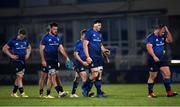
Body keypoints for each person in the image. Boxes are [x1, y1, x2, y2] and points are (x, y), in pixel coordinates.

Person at [39, 22, 71, 98]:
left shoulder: (57, 38)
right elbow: (41, 50)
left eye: (56, 29)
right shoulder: (45, 38)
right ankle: (56, 92)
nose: (56, 30)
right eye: (54, 29)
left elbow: (61, 49)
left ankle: (48, 94)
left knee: (54, 76)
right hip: (48, 60)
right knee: (47, 76)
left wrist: (67, 57)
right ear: (50, 29)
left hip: (55, 60)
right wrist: (43, 60)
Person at [145, 24, 178, 98]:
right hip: (153, 59)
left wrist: (167, 30)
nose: (163, 32)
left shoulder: (162, 36)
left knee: (167, 73)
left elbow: (170, 40)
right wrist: (154, 56)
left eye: (164, 31)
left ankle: (169, 92)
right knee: (153, 76)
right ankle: (150, 93)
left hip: (162, 58)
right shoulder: (151, 37)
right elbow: (149, 48)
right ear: (158, 29)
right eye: (162, 31)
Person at [83, 20, 109, 97]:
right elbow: (85, 45)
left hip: (99, 57)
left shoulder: (99, 34)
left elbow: (100, 45)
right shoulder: (89, 33)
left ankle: (99, 93)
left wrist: (105, 51)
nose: (100, 27)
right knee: (94, 74)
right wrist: (87, 57)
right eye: (98, 25)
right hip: (92, 57)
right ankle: (85, 88)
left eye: (100, 25)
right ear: (94, 25)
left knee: (99, 75)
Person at [2, 29, 31, 97]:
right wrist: (11, 55)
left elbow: (29, 47)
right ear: (18, 34)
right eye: (21, 36)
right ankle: (22, 93)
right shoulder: (13, 41)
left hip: (23, 60)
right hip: (16, 61)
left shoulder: (25, 40)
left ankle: (14, 92)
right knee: (19, 76)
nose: (22, 38)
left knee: (19, 77)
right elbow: (4, 48)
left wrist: (28, 54)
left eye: (23, 37)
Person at [70, 29, 90, 97]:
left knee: (77, 78)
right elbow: (75, 54)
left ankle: (73, 93)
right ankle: (86, 92)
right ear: (82, 35)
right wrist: (83, 62)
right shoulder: (79, 43)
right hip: (78, 62)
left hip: (83, 62)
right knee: (84, 75)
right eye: (86, 35)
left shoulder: (86, 43)